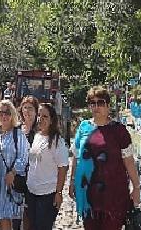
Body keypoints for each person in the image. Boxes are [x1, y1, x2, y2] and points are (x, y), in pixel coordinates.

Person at [70, 86, 141, 230]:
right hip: (88, 195)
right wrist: (72, 181)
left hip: (114, 196)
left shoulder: (119, 131)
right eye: (92, 103)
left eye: (100, 103)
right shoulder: (83, 128)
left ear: (108, 105)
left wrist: (136, 187)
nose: (96, 107)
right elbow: (77, 158)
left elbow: (128, 161)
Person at [0, 100, 30, 230]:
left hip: (11, 181)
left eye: (7, 113)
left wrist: (13, 172)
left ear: (12, 115)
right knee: (2, 218)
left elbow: (24, 156)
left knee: (13, 218)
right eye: (1, 112)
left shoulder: (18, 134)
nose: (4, 116)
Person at [26, 103, 68, 230]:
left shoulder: (57, 142)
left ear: (51, 120)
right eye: (39, 115)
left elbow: (63, 168)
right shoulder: (37, 136)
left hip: (48, 194)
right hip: (32, 191)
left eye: (45, 116)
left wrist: (59, 192)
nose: (41, 119)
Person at [14, 95, 39, 230]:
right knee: (16, 215)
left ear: (36, 111)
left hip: (34, 177)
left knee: (30, 214)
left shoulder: (40, 131)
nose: (27, 111)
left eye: (31, 108)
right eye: (25, 108)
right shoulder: (16, 129)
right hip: (17, 176)